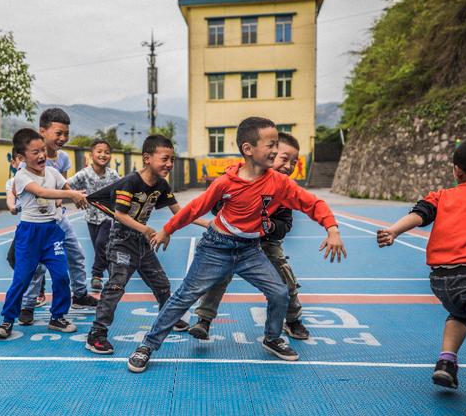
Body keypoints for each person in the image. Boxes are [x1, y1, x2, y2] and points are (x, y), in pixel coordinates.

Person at [127, 117, 346, 373]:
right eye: (271, 144)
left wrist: (332, 228)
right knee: (184, 296)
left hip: (249, 250)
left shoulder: (279, 183)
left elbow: (313, 203)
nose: (276, 151)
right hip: (216, 247)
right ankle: (147, 346)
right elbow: (196, 208)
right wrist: (167, 229)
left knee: (279, 292)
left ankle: (273, 337)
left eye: (277, 145)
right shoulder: (225, 183)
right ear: (248, 149)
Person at [376, 136, 466, 416]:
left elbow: (420, 214)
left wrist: (393, 231)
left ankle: (447, 362)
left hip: (443, 281)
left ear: (457, 170)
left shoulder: (443, 195)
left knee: (461, 313)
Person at [85, 134, 209, 354]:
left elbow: (179, 213)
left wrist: (207, 224)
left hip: (142, 242)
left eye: (172, 159)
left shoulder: (161, 184)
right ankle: (97, 334)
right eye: (165, 158)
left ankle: (169, 317)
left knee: (161, 283)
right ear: (147, 158)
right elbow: (120, 215)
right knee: (115, 286)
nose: (170, 164)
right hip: (122, 241)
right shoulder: (130, 183)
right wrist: (147, 229)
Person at [188, 132, 310, 341]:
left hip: (266, 242)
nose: (289, 166)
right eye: (284, 158)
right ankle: (204, 320)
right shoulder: (241, 179)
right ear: (267, 154)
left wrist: (269, 225)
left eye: (294, 162)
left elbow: (285, 224)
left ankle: (293, 319)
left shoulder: (284, 190)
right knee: (219, 276)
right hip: (233, 241)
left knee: (284, 278)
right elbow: (216, 205)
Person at [0, 128, 88, 339]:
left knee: (62, 276)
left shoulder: (52, 172)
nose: (42, 155)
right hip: (29, 234)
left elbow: (66, 185)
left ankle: (57, 317)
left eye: (43, 150)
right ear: (20, 157)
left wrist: (79, 195)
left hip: (52, 233)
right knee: (22, 279)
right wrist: (72, 194)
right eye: (35, 152)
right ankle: (7, 320)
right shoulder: (22, 176)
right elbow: (43, 192)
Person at [14, 108, 99, 326]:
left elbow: (63, 183)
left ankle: (79, 294)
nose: (62, 138)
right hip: (36, 221)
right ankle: (27, 304)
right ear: (42, 131)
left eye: (66, 134)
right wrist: (67, 194)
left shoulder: (62, 159)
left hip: (58, 218)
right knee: (37, 266)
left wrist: (71, 196)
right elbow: (32, 189)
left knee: (76, 253)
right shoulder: (27, 162)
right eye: (58, 133)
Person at [67, 140, 121, 291]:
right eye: (99, 151)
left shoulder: (113, 174)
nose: (103, 155)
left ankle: (96, 275)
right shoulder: (84, 174)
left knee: (100, 243)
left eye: (107, 152)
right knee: (100, 247)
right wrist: (75, 196)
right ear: (91, 155)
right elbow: (67, 185)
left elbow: (123, 188)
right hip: (91, 217)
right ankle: (112, 272)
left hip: (108, 216)